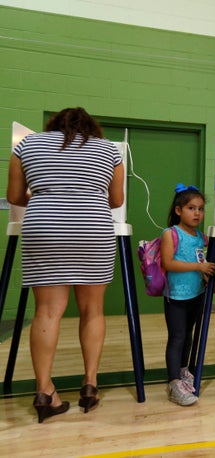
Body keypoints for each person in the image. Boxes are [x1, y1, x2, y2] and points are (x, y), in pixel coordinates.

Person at [6, 107, 124, 423]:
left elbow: (14, 196)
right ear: (90, 128)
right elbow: (116, 200)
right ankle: (90, 385)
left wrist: (49, 194)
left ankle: (45, 392)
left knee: (47, 312)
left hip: (44, 227)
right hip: (92, 228)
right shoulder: (109, 149)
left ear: (53, 126)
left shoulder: (26, 145)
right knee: (92, 310)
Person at [160, 184, 215, 405]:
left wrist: (212, 279)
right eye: (191, 208)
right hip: (176, 296)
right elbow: (168, 263)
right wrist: (198, 268)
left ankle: (183, 371)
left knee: (188, 336)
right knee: (177, 337)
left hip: (197, 294)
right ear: (178, 210)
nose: (197, 213)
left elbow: (203, 265)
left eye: (200, 209)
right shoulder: (170, 234)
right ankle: (174, 383)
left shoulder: (202, 237)